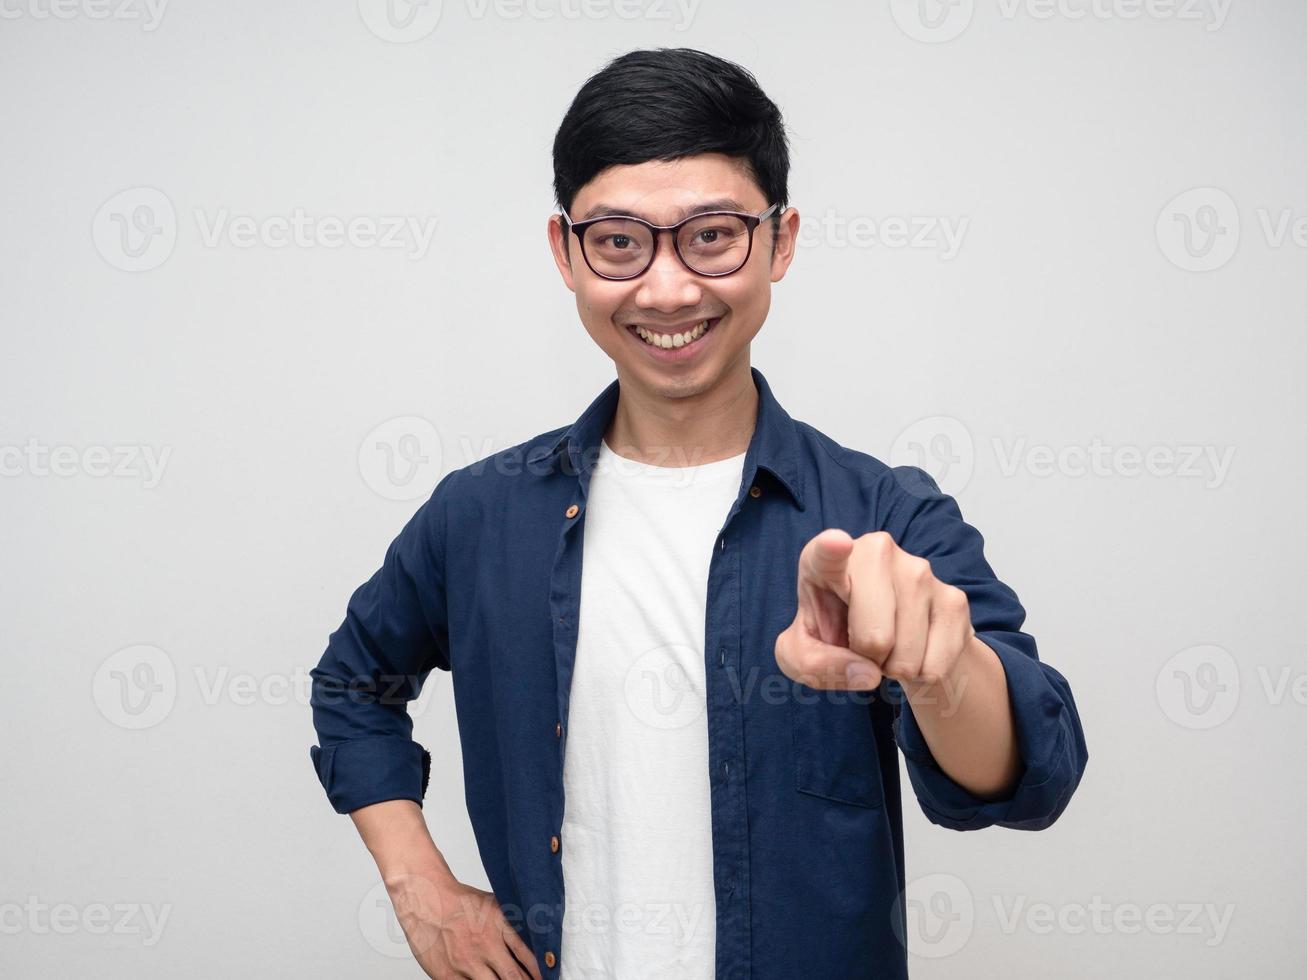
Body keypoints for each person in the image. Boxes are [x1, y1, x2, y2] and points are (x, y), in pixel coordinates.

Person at [308, 46, 1088, 980]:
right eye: (619, 241)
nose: (668, 288)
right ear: (566, 253)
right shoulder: (478, 515)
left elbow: (1031, 777)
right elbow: (352, 687)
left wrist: (941, 663)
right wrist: (420, 888)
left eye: (712, 235)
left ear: (780, 240)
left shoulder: (880, 516)